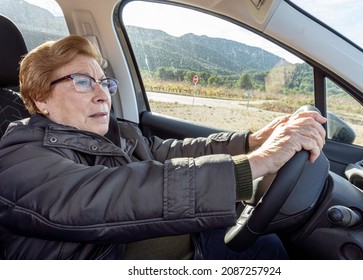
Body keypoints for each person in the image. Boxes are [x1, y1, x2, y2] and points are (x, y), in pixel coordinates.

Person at [0, 35, 326, 260]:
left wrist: (251, 141)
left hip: (123, 245)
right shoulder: (19, 154)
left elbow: (168, 153)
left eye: (104, 82)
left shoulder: (115, 133)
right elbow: (111, 195)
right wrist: (256, 164)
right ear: (41, 98)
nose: (102, 94)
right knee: (256, 249)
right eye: (82, 82)